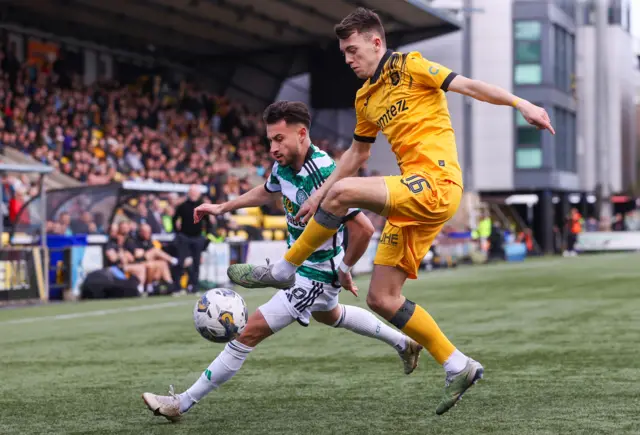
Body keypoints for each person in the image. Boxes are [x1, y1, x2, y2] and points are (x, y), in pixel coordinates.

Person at [226, 8, 556, 415]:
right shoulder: (365, 97)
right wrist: (320, 195)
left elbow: (468, 86)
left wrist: (521, 103)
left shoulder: (411, 66)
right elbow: (356, 155)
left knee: (344, 192)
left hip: (436, 183)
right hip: (412, 197)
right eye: (343, 52)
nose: (347, 59)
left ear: (376, 42)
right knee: (382, 298)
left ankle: (282, 269)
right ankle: (458, 365)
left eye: (352, 49)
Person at [142, 101, 422, 421]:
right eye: (269, 140)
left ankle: (181, 403)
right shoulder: (284, 166)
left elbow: (363, 228)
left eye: (279, 139)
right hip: (301, 264)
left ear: (302, 134)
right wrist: (222, 207)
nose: (273, 147)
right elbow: (266, 191)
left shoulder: (324, 174)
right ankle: (404, 343)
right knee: (329, 316)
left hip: (316, 272)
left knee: (248, 332)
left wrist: (343, 270)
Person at [173, 185, 211, 292]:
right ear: (188, 193)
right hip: (184, 237)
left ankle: (194, 287)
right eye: (192, 192)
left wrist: (207, 236)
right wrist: (178, 234)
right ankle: (177, 287)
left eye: (195, 193)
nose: (194, 195)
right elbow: (174, 219)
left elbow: (208, 223)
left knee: (196, 264)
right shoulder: (182, 206)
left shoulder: (202, 207)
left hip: (197, 238)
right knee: (181, 263)